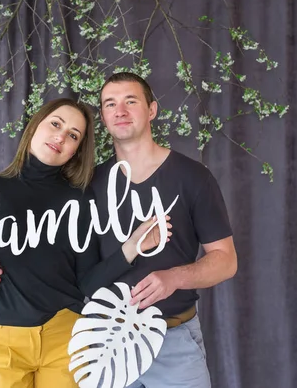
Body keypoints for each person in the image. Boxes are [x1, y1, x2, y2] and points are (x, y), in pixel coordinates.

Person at [0, 98, 170, 388]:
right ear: (35, 125)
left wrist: (133, 246)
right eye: (56, 124)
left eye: (73, 135)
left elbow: (88, 283)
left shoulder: (79, 200)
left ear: (76, 151)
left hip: (64, 338)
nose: (61, 137)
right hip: (2, 342)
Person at [90, 72, 238, 388]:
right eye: (110, 104)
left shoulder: (194, 177)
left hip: (173, 340)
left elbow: (226, 260)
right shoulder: (89, 184)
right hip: (106, 345)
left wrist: (174, 278)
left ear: (152, 110)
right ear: (102, 116)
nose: (120, 111)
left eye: (131, 101)